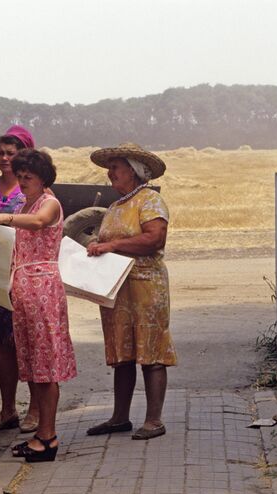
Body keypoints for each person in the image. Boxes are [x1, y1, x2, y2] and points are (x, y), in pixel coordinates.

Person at [0, 149, 76, 462]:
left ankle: (48, 435)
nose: (23, 181)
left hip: (42, 289)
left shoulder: (48, 203)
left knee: (46, 366)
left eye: (29, 177)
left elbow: (38, 223)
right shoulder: (28, 202)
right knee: (34, 365)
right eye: (20, 176)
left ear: (43, 178)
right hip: (25, 290)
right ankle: (42, 435)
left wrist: (2, 217)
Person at [85, 142, 177, 440]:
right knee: (122, 351)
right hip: (117, 290)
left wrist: (110, 245)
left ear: (134, 171)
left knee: (151, 350)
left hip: (145, 286)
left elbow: (154, 239)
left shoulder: (149, 200)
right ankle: (119, 417)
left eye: (115, 167)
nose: (110, 173)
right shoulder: (115, 207)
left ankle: (154, 420)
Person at [0, 125, 40, 434]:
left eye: (11, 153)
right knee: (2, 345)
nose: (5, 158)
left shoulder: (33, 191)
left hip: (26, 278)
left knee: (27, 343)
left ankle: (34, 409)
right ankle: (7, 409)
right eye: (1, 153)